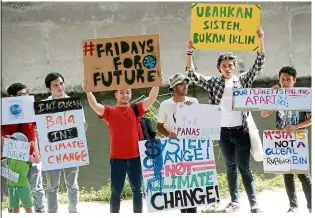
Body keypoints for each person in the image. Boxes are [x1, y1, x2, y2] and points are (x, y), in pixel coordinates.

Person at [185, 27, 266, 213]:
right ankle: (235, 202)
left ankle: (254, 203)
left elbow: (259, 63)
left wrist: (260, 39)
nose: (228, 68)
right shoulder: (214, 82)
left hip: (241, 130)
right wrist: (189, 51)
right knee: (230, 167)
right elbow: (191, 74)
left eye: (230, 65)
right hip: (222, 132)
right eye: (224, 66)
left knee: (244, 167)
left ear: (234, 67)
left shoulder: (243, 81)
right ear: (219, 68)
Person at [82, 73, 162, 213]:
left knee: (137, 190)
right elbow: (95, 105)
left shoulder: (135, 109)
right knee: (115, 191)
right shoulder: (110, 111)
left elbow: (151, 99)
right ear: (116, 95)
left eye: (128, 92)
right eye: (122, 92)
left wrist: (156, 83)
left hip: (136, 157)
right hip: (117, 158)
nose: (125, 95)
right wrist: (88, 91)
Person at [261, 66, 312, 213]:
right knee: (287, 173)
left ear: (294, 80)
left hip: (298, 140)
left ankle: (311, 206)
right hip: (281, 139)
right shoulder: (276, 95)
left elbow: (311, 118)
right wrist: (271, 96)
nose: (285, 82)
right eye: (282, 79)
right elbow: (264, 113)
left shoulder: (302, 96)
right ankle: (293, 206)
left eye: (288, 80)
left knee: (303, 174)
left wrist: (296, 126)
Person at [43, 72, 87, 213]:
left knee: (72, 185)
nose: (59, 87)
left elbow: (81, 128)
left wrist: (83, 126)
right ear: (49, 89)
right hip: (52, 151)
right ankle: (52, 213)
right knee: (52, 186)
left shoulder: (74, 103)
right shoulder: (43, 106)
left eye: (61, 84)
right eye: (55, 85)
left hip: (71, 149)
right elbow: (41, 130)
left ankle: (73, 212)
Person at [157, 73, 198, 213]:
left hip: (192, 146)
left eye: (186, 83)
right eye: (181, 84)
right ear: (174, 87)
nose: (185, 86)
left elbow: (200, 123)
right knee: (180, 181)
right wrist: (169, 134)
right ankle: (183, 211)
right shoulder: (165, 105)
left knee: (193, 180)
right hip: (175, 148)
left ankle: (193, 211)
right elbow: (159, 126)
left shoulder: (194, 101)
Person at [1, 83, 46, 213]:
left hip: (30, 154)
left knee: (36, 187)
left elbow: (43, 124)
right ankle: (12, 211)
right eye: (21, 94)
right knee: (13, 188)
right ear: (11, 96)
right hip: (11, 156)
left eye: (26, 94)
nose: (24, 96)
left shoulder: (32, 109)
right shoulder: (3, 111)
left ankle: (40, 212)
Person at [1, 132, 41, 213]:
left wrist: (35, 147)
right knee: (15, 209)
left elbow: (37, 160)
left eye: (14, 141)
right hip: (11, 186)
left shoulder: (26, 156)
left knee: (28, 209)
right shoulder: (9, 154)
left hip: (23, 187)